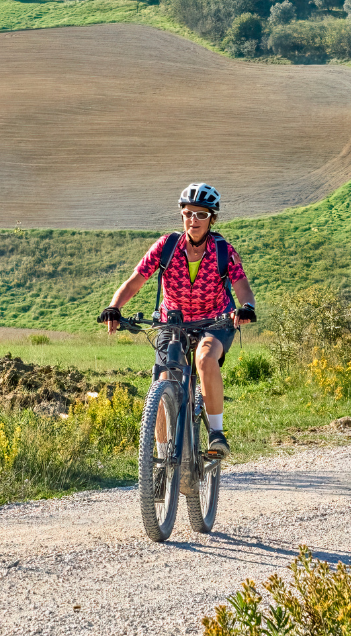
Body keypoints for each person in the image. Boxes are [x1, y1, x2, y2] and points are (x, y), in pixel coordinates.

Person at [98, 182, 256, 456]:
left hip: (215, 321)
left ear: (212, 218)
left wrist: (247, 306)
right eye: (188, 213)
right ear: (181, 215)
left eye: (201, 215)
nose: (193, 220)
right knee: (162, 379)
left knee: (205, 359)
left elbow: (241, 283)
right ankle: (159, 459)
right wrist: (114, 306)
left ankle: (216, 434)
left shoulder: (223, 251)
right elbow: (136, 281)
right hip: (173, 322)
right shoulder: (166, 246)